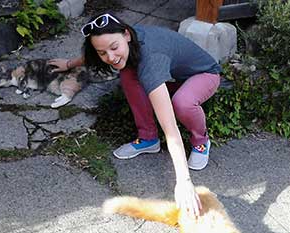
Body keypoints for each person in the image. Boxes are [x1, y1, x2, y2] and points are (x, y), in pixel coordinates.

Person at [49, 12, 221, 217]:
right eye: (103, 53)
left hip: (203, 75)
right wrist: (69, 64)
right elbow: (101, 49)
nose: (110, 57)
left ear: (127, 35)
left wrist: (184, 183)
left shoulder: (151, 61)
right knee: (127, 71)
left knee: (181, 104)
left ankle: (201, 140)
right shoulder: (122, 40)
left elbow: (171, 129)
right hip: (172, 75)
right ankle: (148, 138)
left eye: (114, 48)